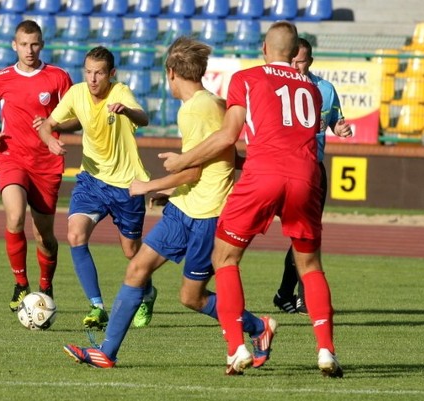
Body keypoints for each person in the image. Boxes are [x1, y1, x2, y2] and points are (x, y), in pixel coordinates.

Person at [61, 37, 277, 369]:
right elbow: (220, 157)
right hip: (184, 209)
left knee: (192, 297)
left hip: (207, 217)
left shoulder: (195, 110)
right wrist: (171, 192)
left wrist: (150, 185)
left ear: (171, 72)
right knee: (137, 268)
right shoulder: (210, 104)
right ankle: (107, 352)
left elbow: (190, 170)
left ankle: (258, 327)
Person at [162, 21, 343, 378]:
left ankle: (236, 348)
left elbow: (229, 136)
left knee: (225, 257)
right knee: (310, 267)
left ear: (264, 48)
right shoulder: (312, 87)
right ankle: (326, 351)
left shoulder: (246, 79)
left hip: (263, 175)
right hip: (307, 176)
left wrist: (182, 160)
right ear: (295, 53)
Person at [38, 46, 156, 330]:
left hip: (126, 186)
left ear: (111, 74)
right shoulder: (77, 92)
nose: (92, 79)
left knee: (130, 251)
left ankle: (148, 292)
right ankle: (97, 306)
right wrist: (50, 140)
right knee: (75, 235)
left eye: (99, 73)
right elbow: (47, 124)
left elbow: (144, 118)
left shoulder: (120, 92)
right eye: (88, 72)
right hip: (91, 180)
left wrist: (126, 110)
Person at [0, 20, 76, 312]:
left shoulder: (58, 77)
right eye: (23, 44)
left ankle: (45, 286)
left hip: (46, 162)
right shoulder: (1, 78)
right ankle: (21, 284)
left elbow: (76, 118)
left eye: (34, 44)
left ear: (41, 44)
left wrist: (54, 126)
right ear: (14, 45)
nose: (29, 50)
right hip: (11, 157)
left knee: (44, 235)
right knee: (15, 215)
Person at [273, 38, 353, 315]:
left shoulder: (325, 89)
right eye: (292, 60)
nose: (297, 66)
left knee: (306, 234)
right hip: (279, 169)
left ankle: (291, 295)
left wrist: (340, 129)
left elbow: (336, 122)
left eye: (302, 60)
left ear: (311, 60)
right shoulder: (277, 89)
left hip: (313, 170)